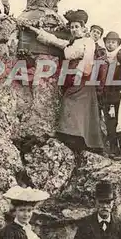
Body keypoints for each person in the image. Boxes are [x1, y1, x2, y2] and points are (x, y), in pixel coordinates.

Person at [29, 9, 105, 153]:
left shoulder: (88, 41)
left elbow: (88, 57)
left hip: (81, 76)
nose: (74, 30)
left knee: (75, 104)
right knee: (71, 103)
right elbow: (53, 40)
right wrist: (34, 30)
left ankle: (78, 138)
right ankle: (71, 135)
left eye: (77, 27)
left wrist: (80, 73)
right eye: (72, 27)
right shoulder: (71, 43)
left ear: (83, 29)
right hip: (70, 74)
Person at [101, 31, 121, 157]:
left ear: (117, 44)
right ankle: (112, 148)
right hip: (104, 94)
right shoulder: (102, 58)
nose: (110, 44)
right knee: (108, 123)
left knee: (118, 122)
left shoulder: (120, 59)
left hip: (117, 95)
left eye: (113, 42)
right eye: (108, 42)